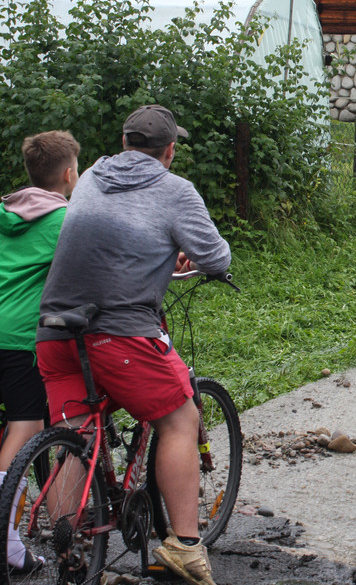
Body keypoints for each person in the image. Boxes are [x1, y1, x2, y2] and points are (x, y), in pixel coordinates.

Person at [36, 105, 231, 585]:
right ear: (169, 150)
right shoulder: (174, 189)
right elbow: (216, 255)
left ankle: (71, 548)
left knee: (76, 437)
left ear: (123, 143)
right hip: (119, 335)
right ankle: (185, 546)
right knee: (181, 416)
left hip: (56, 333)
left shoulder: (92, 175)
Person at [0, 130, 80, 572]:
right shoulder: (64, 221)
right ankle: (7, 543)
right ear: (68, 174)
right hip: (20, 338)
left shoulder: (3, 213)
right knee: (25, 427)